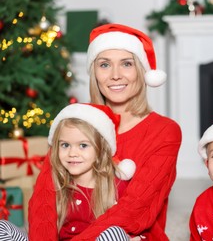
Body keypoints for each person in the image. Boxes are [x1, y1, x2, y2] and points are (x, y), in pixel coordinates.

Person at [28, 24, 182, 240]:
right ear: (95, 73)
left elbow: (133, 210)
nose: (115, 75)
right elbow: (44, 198)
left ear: (141, 71)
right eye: (104, 65)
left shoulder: (165, 131)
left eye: (126, 64)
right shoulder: (76, 120)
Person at [0, 103, 136, 241]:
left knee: (114, 233)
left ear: (101, 150)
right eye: (65, 145)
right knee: (2, 227)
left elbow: (132, 222)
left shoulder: (115, 186)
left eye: (83, 145)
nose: (72, 153)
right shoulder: (57, 184)